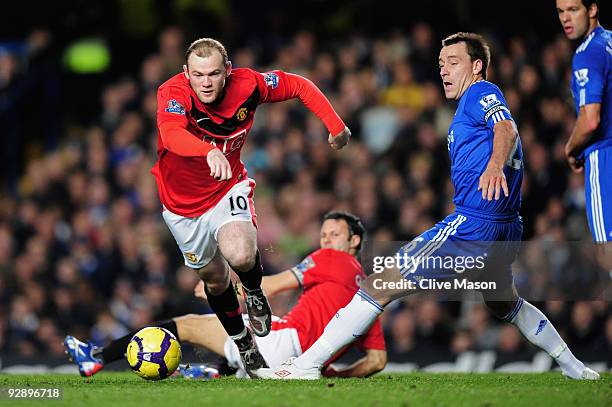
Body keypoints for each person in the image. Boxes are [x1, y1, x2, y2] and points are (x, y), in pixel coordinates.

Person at [256, 33, 600, 380]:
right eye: (440, 64)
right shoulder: (467, 106)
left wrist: (495, 165)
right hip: (506, 227)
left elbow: (507, 130)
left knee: (379, 284)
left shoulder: (482, 92)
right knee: (504, 303)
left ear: (477, 66)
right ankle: (575, 368)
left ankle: (305, 366)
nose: (444, 71)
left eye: (454, 62)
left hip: (474, 224)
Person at [148, 37, 351, 375]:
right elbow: (170, 134)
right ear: (186, 73)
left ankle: (255, 291)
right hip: (181, 208)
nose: (207, 82)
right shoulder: (172, 93)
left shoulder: (249, 84)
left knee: (240, 254)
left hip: (226, 188)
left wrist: (335, 125)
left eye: (214, 73)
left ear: (227, 71)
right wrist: (207, 150)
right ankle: (243, 343)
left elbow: (298, 84)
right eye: (198, 75)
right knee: (215, 281)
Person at [64, 211, 386, 378]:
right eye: (323, 234)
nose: (326, 240)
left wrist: (222, 290)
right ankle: (219, 372)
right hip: (296, 362)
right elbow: (376, 361)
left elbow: (268, 287)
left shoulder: (331, 258)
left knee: (187, 324)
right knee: (242, 330)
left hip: (283, 341)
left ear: (354, 241)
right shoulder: (369, 293)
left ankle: (96, 359)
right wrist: (328, 373)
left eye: (334, 234)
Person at [556, 0, 612, 266]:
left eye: (573, 10)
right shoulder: (610, 42)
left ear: (592, 9)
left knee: (607, 254)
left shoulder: (587, 53)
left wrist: (570, 148)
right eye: (560, 11)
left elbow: (590, 120)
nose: (566, 18)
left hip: (604, 158)